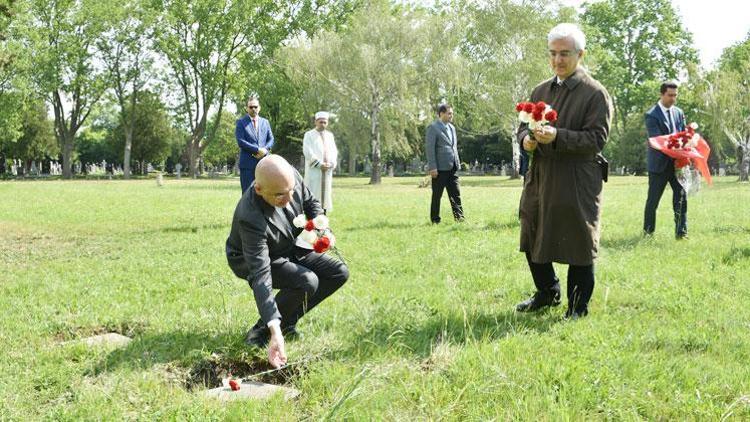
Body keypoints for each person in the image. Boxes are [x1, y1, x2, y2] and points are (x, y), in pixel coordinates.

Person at [515, 23, 612, 319]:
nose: (558, 60)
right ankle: (547, 292)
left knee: (578, 242)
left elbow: (596, 139)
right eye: (553, 53)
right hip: (541, 176)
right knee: (532, 231)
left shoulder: (595, 93)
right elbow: (522, 127)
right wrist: (527, 140)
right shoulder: (540, 90)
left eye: (565, 54)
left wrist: (559, 136)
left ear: (580, 54)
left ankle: (577, 307)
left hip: (576, 179)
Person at [225, 155, 349, 368]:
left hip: (289, 245)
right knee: (307, 281)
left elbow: (310, 203)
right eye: (280, 195)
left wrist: (322, 227)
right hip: (252, 258)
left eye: (291, 190)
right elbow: (261, 276)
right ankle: (262, 331)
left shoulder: (289, 177)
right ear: (259, 190)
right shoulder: (250, 216)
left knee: (338, 272)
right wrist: (274, 330)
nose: (290, 198)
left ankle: (288, 321)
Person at [643, 82, 688, 239]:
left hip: (677, 165)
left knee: (681, 197)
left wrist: (687, 149)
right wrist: (675, 147)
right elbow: (657, 140)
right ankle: (648, 233)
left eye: (675, 95)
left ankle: (681, 233)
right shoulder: (651, 115)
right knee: (653, 201)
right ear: (661, 94)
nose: (673, 98)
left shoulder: (679, 112)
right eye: (670, 95)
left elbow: (684, 135)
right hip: (659, 164)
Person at [425, 103, 465, 224]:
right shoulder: (433, 127)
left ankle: (459, 218)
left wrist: (457, 162)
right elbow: (430, 149)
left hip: (452, 167)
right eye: (449, 113)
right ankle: (435, 220)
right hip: (439, 168)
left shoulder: (452, 128)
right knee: (437, 195)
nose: (451, 116)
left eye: (452, 113)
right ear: (441, 114)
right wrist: (432, 167)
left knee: (455, 194)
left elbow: (454, 147)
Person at [235, 96, 275, 193]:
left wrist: (265, 150)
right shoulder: (241, 122)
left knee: (265, 193)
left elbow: (271, 139)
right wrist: (257, 150)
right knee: (247, 193)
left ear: (259, 108)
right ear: (247, 108)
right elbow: (241, 141)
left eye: (255, 107)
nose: (253, 109)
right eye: (251, 107)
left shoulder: (265, 122)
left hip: (264, 164)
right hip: (248, 165)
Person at [302, 111, 338, 212]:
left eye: (325, 122)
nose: (322, 124)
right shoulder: (309, 135)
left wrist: (331, 164)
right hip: (315, 171)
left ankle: (323, 221)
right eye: (320, 122)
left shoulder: (330, 136)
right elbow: (307, 151)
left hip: (326, 172)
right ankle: (312, 222)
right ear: (316, 122)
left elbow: (334, 151)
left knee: (325, 196)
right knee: (313, 195)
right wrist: (319, 164)